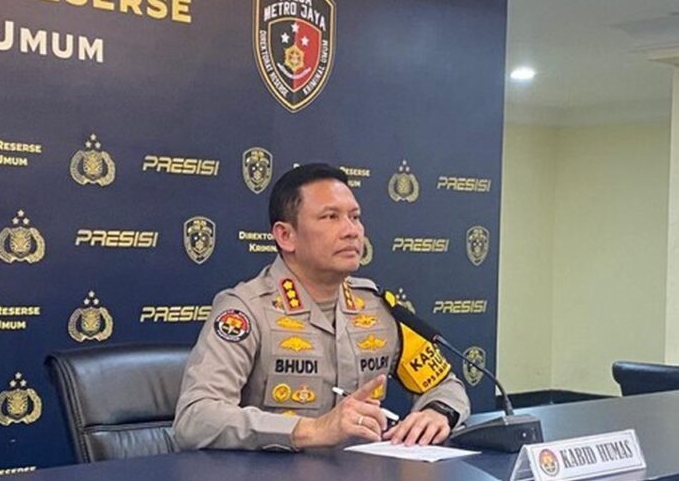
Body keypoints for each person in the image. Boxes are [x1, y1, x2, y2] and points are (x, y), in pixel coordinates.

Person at [174, 164, 470, 451]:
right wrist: (311, 430)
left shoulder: (380, 309)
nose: (351, 231)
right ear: (285, 236)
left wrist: (437, 412)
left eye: (355, 217)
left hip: (363, 478)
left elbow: (445, 385)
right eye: (330, 217)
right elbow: (195, 418)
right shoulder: (246, 310)